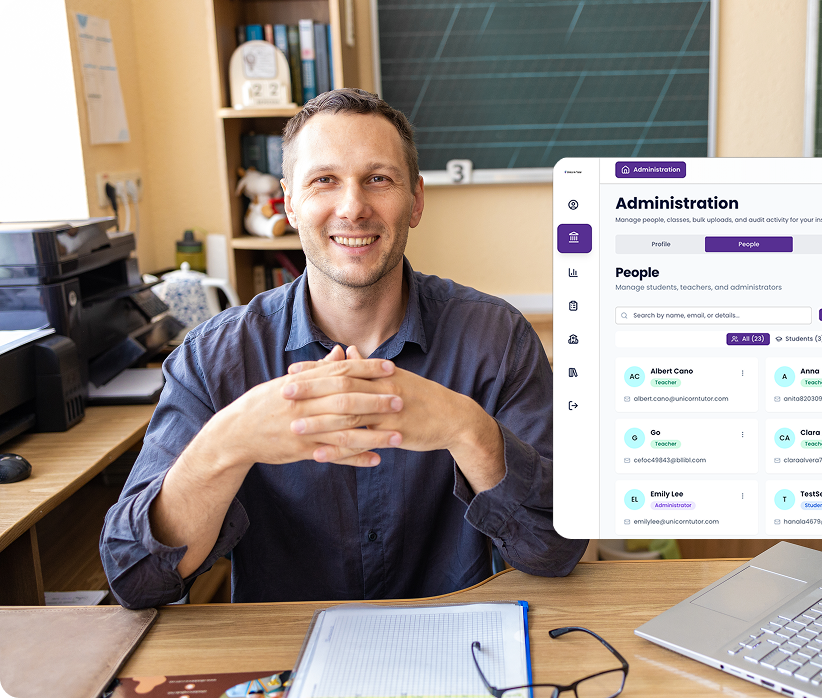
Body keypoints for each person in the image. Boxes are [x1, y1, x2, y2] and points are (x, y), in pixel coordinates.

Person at [101, 89, 586, 608]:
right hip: (283, 661)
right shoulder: (216, 358)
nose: (353, 207)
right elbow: (135, 578)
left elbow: (556, 550)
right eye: (324, 180)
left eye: (378, 179)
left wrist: (467, 429)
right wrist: (226, 444)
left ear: (416, 200)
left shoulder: (497, 341)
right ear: (289, 202)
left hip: (456, 652)